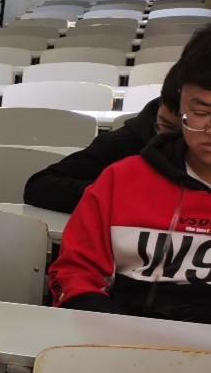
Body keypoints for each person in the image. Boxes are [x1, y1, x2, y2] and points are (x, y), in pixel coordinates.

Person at [49, 29, 211, 322]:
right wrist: (117, 329)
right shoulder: (121, 179)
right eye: (201, 112)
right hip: (118, 334)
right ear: (179, 104)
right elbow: (74, 273)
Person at [24, 69, 182, 213]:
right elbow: (40, 187)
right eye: (168, 127)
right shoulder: (121, 143)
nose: (184, 140)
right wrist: (113, 192)